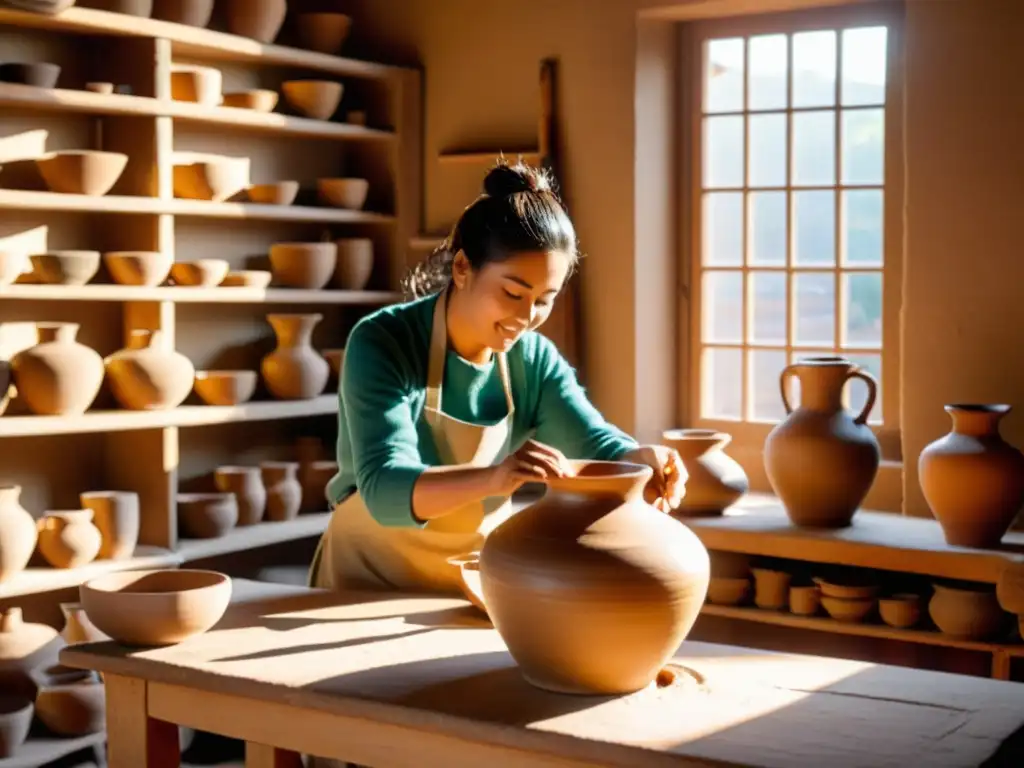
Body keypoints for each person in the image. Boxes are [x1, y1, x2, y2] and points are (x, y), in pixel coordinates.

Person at [307, 159, 686, 593]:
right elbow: (386, 489)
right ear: (463, 268)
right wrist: (493, 477)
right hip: (364, 578)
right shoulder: (383, 341)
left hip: (471, 580)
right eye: (512, 293)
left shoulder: (533, 360)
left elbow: (594, 441)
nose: (527, 317)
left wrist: (640, 459)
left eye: (545, 300)